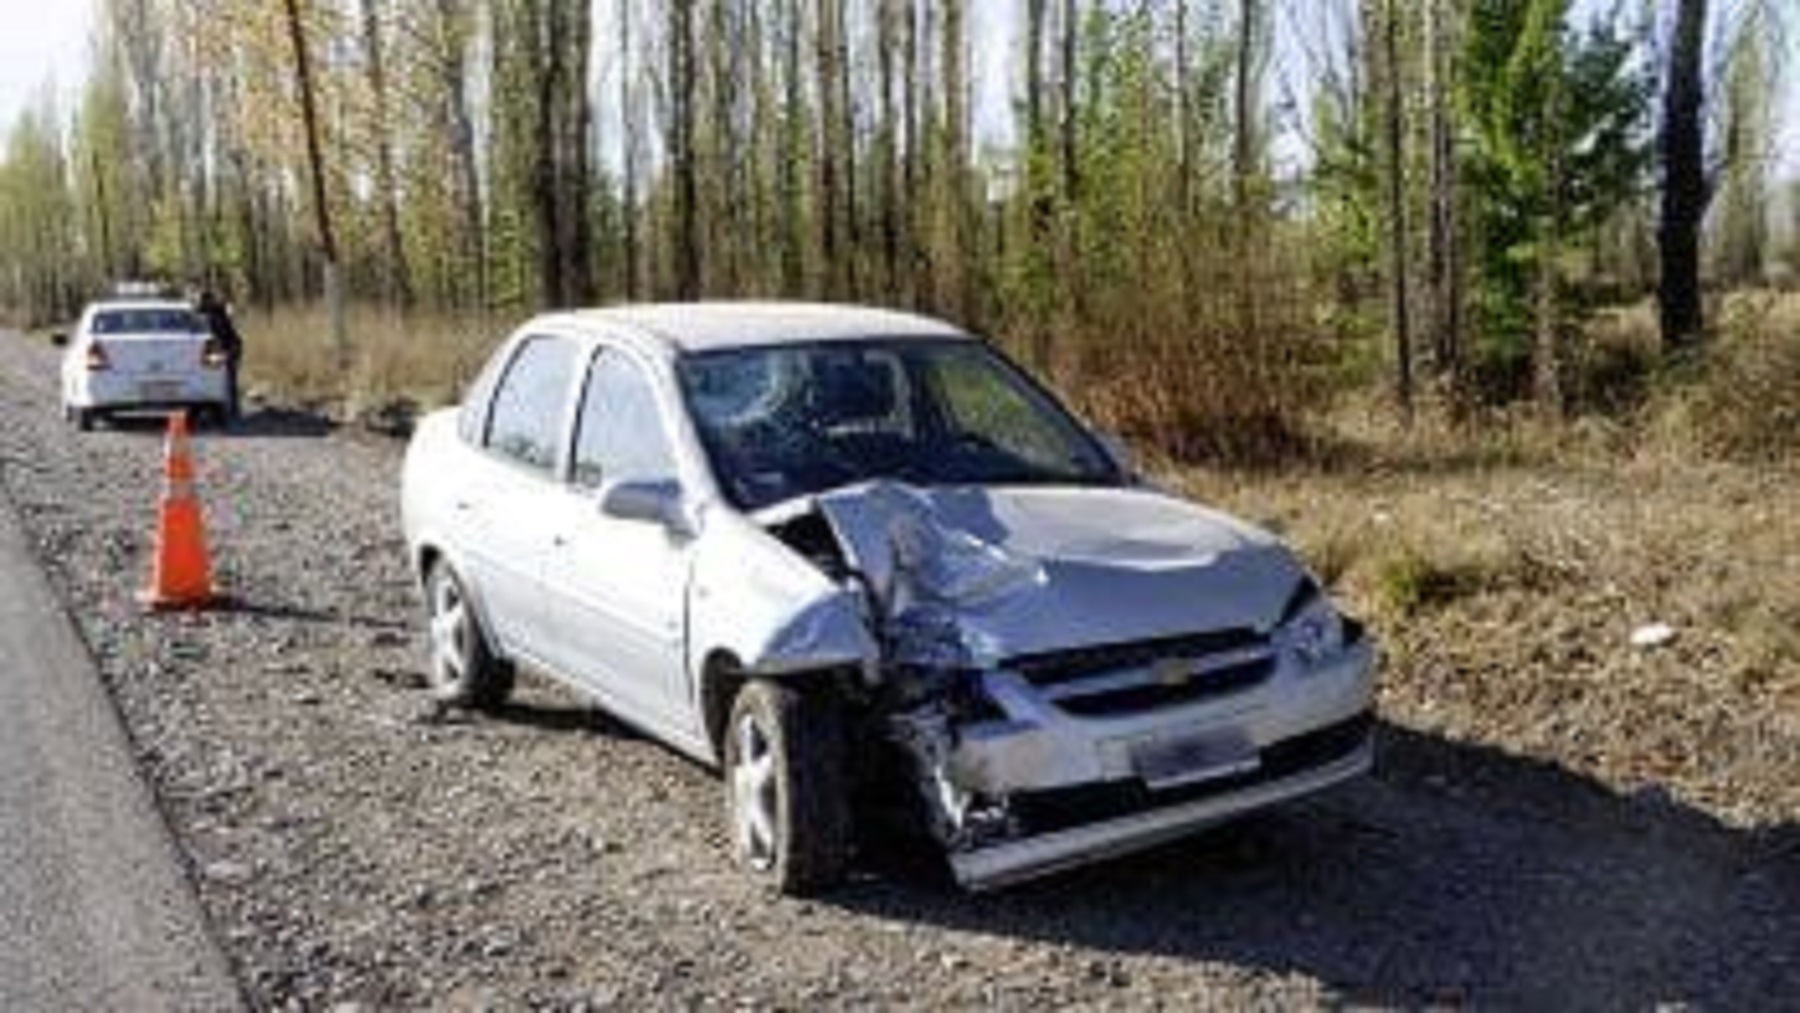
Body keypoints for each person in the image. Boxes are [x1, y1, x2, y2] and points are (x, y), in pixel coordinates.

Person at [194, 287, 243, 422]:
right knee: (215, 378)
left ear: (208, 300)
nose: (200, 303)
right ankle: (223, 409)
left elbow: (220, 335)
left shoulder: (217, 313)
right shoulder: (205, 312)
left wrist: (223, 354)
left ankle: (232, 410)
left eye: (203, 300)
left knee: (228, 378)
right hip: (221, 348)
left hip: (229, 347)